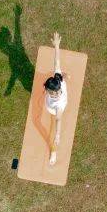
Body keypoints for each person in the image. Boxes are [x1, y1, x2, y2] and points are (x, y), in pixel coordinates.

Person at [44, 32, 68, 166]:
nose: (56, 94)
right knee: (59, 71)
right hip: (51, 105)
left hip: (55, 109)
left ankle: (53, 152)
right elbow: (56, 61)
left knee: (54, 135)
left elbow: (58, 119)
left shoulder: (59, 103)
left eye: (57, 92)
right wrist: (57, 46)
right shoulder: (56, 79)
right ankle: (65, 75)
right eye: (53, 93)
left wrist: (58, 134)